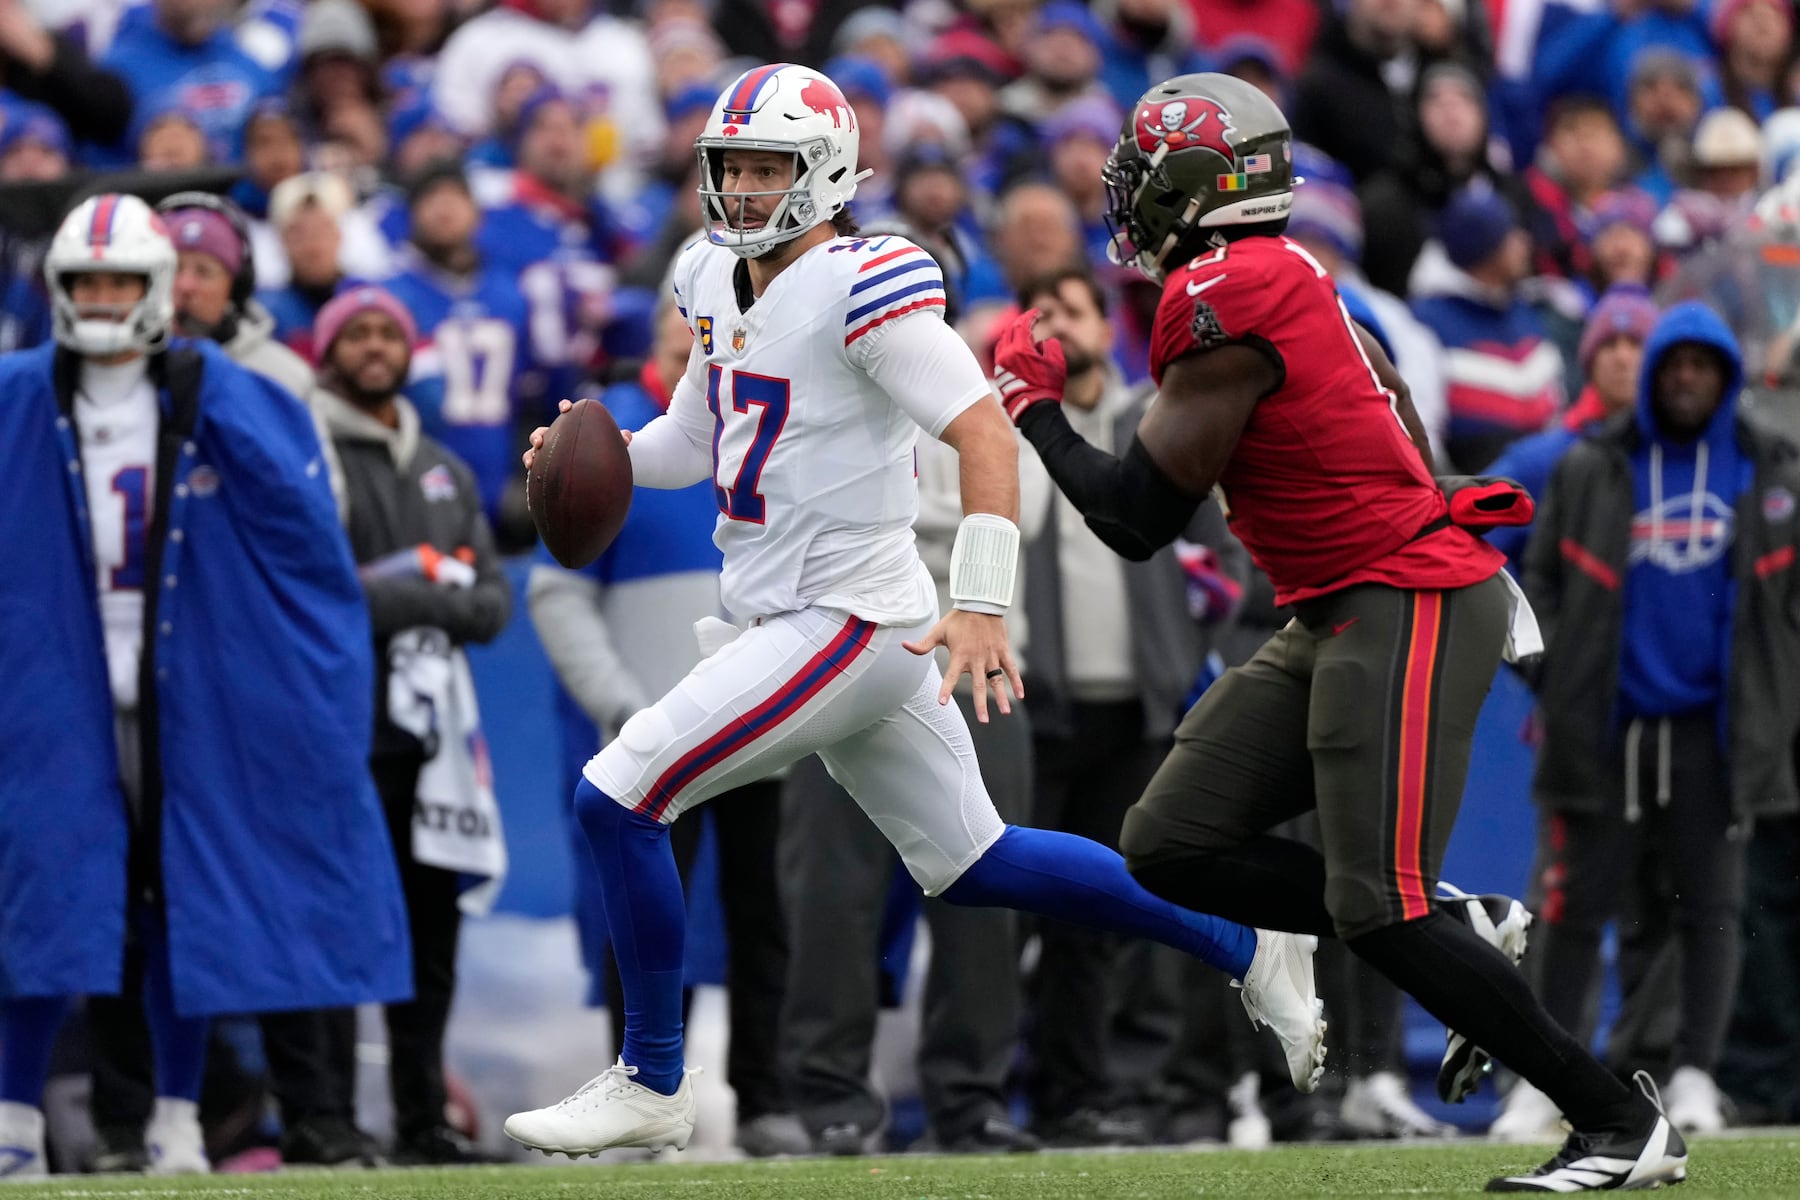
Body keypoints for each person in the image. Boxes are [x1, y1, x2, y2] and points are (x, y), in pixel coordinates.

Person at [503, 62, 1326, 1158]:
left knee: (619, 796)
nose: (744, 189)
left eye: (769, 167)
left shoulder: (862, 282)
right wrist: (586, 447)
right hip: (797, 617)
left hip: (845, 616)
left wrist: (982, 602)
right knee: (978, 859)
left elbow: (982, 435)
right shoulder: (708, 275)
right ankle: (1249, 943)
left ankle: (654, 1077)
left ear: (829, 173)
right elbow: (696, 441)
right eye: (731, 167)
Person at [994, 72, 1687, 1192]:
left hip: (1398, 595)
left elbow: (1133, 517)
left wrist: (1032, 407)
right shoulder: (1293, 270)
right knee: (1169, 842)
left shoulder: (1224, 291)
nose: (1127, 191)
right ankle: (1467, 918)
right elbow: (1395, 406)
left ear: (1196, 187)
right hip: (1346, 599)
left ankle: (1616, 1121)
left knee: (1379, 909)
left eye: (1145, 171)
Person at [0, 193, 409, 1180]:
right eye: (85, 282)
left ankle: (177, 1119)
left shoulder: (218, 388)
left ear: (155, 291)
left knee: (180, 896)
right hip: (56, 678)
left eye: (117, 282)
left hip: (192, 671)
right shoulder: (17, 392)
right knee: (45, 892)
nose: (100, 300)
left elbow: (303, 540)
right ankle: (14, 1120)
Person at [1505, 302, 1800, 1138]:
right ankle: (1541, 1083)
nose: (1683, 378)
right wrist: (1552, 676)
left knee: (1710, 909)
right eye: (1672, 365)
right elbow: (1536, 582)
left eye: (1700, 365)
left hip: (1716, 734)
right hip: (1605, 730)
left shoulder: (1767, 466)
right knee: (1571, 913)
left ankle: (1696, 1076)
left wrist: (1779, 704)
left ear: (1724, 376)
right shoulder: (1593, 466)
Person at [528, 296, 808, 1159]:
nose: (694, 348)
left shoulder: (772, 436)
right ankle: (649, 1093)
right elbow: (557, 594)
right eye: (679, 333)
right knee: (649, 919)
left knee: (766, 918)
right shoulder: (608, 451)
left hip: (761, 734)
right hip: (659, 737)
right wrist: (624, 706)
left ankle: (764, 1098)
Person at [314, 285, 514, 1164]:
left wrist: (398, 592)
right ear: (327, 352)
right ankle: (324, 1119)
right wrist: (434, 589)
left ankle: (422, 1117)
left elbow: (494, 605)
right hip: (344, 728)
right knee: (341, 930)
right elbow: (331, 591)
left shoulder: (443, 465)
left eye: (383, 334)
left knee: (432, 938)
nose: (370, 348)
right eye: (353, 334)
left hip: (435, 744)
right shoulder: (309, 451)